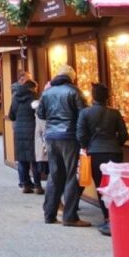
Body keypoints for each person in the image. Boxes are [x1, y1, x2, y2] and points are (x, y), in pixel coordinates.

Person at [37, 64, 89, 227]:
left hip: (51, 135)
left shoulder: (47, 93)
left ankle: (49, 214)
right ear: (71, 77)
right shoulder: (74, 91)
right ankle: (70, 216)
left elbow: (40, 113)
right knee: (72, 175)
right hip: (69, 136)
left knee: (55, 174)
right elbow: (84, 114)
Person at [77, 83, 129, 236]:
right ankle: (116, 216)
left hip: (95, 153)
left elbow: (80, 134)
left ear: (92, 97)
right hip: (114, 153)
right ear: (107, 97)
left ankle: (107, 218)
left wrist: (86, 146)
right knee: (115, 186)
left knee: (101, 186)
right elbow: (124, 134)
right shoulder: (115, 113)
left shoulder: (85, 113)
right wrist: (116, 144)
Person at [9, 78, 43, 194]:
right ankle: (38, 185)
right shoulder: (35, 98)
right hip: (33, 130)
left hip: (19, 131)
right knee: (34, 159)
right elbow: (40, 114)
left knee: (22, 159)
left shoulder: (15, 99)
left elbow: (11, 115)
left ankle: (25, 185)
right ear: (33, 87)